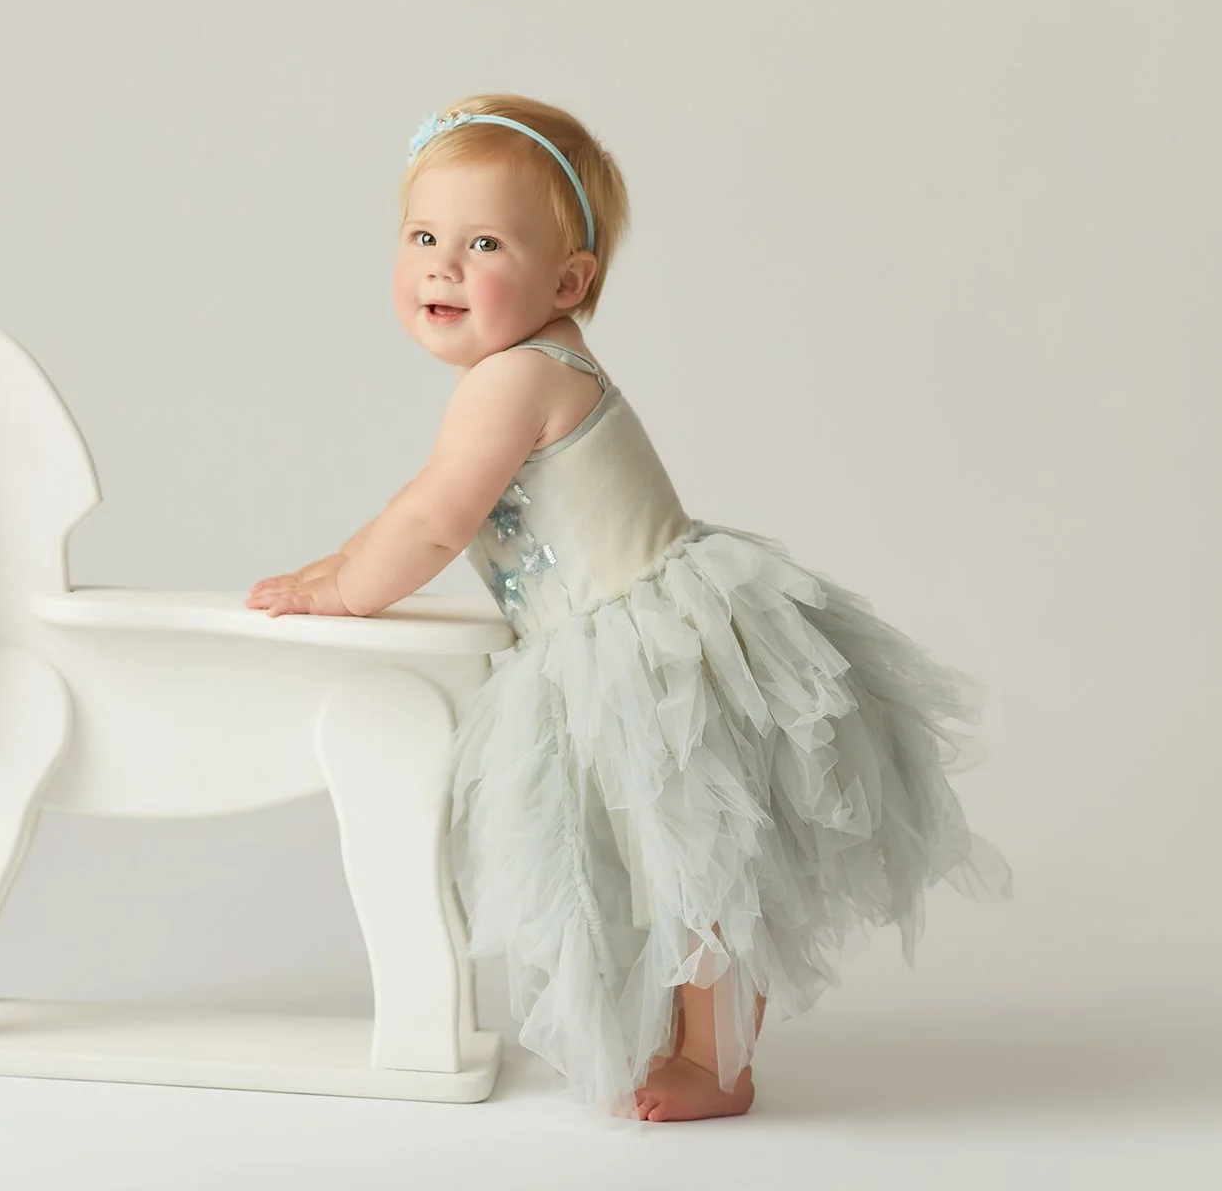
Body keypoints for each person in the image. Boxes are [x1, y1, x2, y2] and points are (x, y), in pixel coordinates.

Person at [246, 93, 1012, 1122]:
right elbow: (421, 505)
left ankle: (719, 1062)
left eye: (483, 244)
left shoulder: (516, 378)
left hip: (644, 652)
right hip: (605, 647)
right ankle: (683, 1039)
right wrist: (337, 557)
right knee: (648, 858)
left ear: (569, 281)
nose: (442, 266)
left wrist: (342, 587)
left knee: (692, 865)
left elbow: (435, 520)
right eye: (423, 236)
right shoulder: (518, 368)